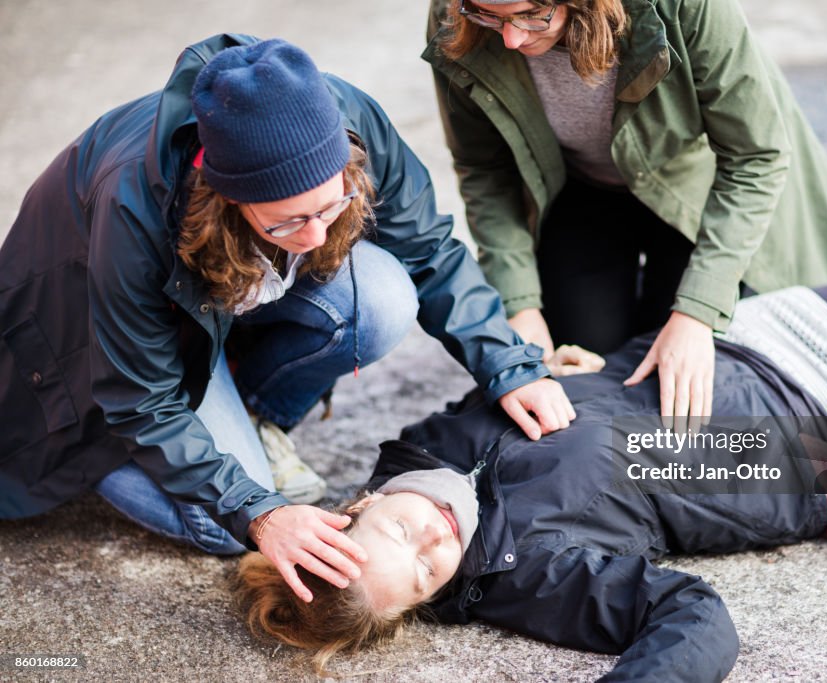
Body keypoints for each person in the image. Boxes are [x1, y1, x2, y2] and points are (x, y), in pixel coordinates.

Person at [235, 254, 827, 680]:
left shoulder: (419, 447)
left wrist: (570, 372)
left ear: (360, 503)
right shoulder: (529, 572)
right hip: (810, 443)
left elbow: (537, 398)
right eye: (423, 576)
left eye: (401, 532)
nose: (432, 542)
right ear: (427, 602)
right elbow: (693, 616)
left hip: (723, 351)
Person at [0, 35, 575, 604]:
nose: (318, 236)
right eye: (286, 223)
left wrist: (508, 363)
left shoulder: (345, 115)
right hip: (101, 360)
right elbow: (143, 399)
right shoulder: (132, 205)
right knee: (223, 526)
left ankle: (249, 412)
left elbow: (425, 248)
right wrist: (260, 513)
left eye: (332, 205)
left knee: (381, 296)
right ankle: (94, 454)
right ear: (224, 198)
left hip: (208, 315)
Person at [423, 0, 827, 427]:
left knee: (688, 378)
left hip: (697, 189)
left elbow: (754, 157)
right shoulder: (457, 12)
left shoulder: (686, 5)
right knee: (583, 371)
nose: (512, 38)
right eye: (490, 16)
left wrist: (697, 313)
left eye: (534, 15)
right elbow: (485, 169)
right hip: (581, 191)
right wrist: (520, 306)